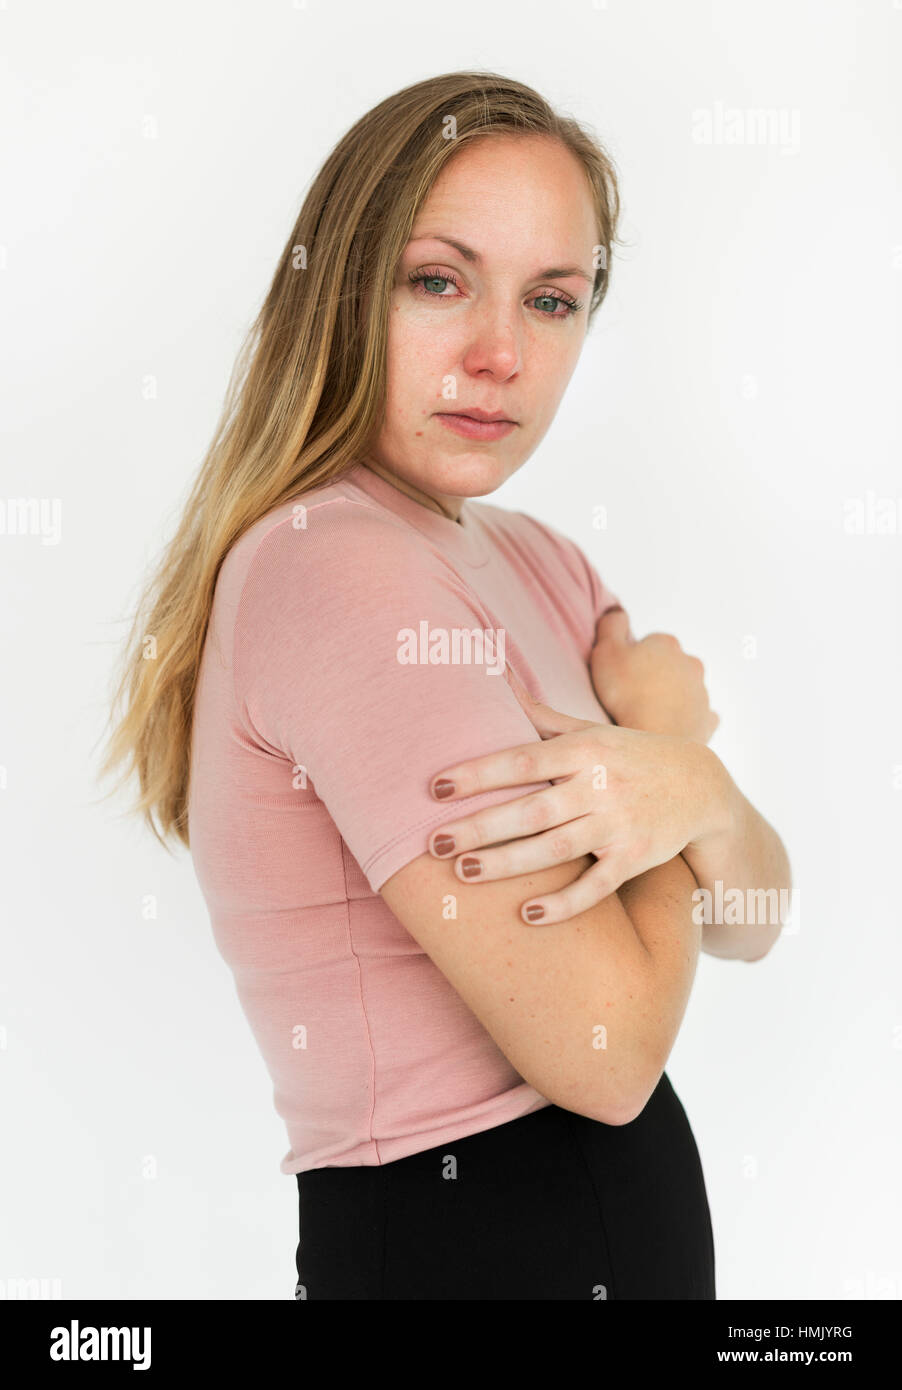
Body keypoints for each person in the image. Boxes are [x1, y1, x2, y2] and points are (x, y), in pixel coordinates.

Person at [100, 71, 791, 1300]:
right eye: (438, 280)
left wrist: (692, 790)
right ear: (342, 285)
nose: (498, 354)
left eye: (551, 300)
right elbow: (608, 1052)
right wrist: (672, 753)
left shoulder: (539, 561)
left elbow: (754, 923)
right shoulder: (338, 572)